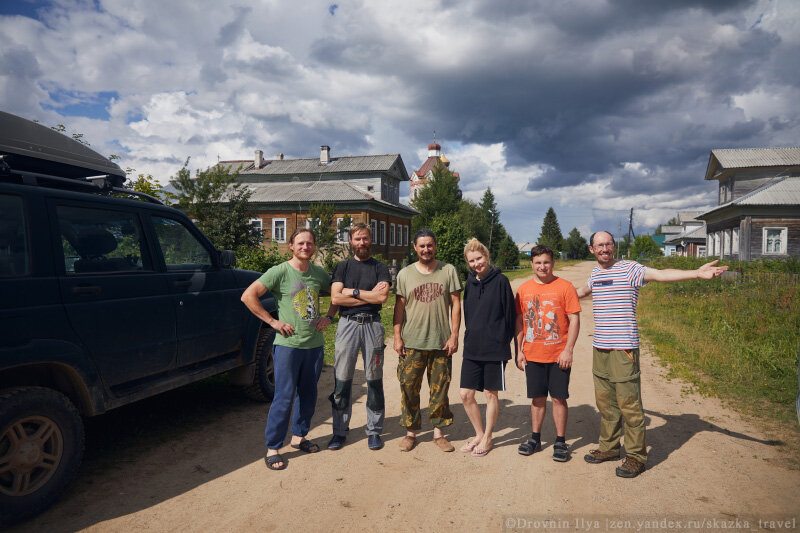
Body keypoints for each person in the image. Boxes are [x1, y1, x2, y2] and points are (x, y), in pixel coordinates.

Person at [577, 230, 728, 478]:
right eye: (599, 245)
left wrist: (696, 273)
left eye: (608, 244)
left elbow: (661, 275)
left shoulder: (629, 269)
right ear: (591, 250)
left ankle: (636, 456)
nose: (604, 249)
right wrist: (549, 293)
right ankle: (609, 448)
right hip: (600, 348)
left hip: (623, 348)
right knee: (606, 404)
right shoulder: (595, 273)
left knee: (629, 405)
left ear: (614, 246)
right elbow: (582, 291)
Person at [241, 228, 337, 470]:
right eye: (301, 243)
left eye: (310, 243)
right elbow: (248, 296)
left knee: (308, 394)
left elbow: (337, 293)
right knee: (283, 398)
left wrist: (329, 316)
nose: (306, 247)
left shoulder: (318, 274)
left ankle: (299, 437)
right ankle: (273, 447)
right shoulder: (280, 272)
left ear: (314, 247)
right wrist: (272, 322)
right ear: (292, 246)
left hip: (313, 345)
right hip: (287, 346)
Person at [393, 228, 462, 452]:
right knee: (409, 387)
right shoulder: (404, 274)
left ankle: (438, 432)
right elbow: (399, 307)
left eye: (429, 245)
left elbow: (456, 304)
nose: (426, 249)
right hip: (412, 342)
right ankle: (411, 432)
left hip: (441, 342)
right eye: (422, 246)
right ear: (415, 248)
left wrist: (454, 335)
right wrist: (397, 336)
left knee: (440, 388)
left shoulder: (448, 270)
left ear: (435, 246)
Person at [327, 222, 391, 451]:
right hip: (347, 326)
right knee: (342, 379)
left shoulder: (380, 267)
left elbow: (382, 299)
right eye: (357, 239)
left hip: (372, 326)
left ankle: (374, 431)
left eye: (365, 238)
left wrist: (351, 292)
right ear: (350, 241)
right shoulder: (342, 267)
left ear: (370, 240)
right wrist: (369, 295)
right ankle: (339, 432)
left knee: (374, 379)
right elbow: (335, 299)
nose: (361, 243)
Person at [514, 245, 581, 462]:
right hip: (533, 355)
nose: (542, 266)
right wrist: (519, 350)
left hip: (558, 355)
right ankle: (535, 438)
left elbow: (574, 319)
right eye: (538, 262)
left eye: (546, 262)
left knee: (559, 398)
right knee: (537, 399)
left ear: (553, 263)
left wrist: (568, 350)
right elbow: (520, 322)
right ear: (531, 264)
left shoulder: (565, 287)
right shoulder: (523, 290)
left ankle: (560, 441)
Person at [459, 238, 516, 457]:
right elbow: (468, 314)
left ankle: (488, 437)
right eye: (471, 261)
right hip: (472, 348)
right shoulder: (470, 282)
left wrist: (503, 341)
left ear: (487, 256)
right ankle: (478, 434)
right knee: (465, 394)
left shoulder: (501, 281)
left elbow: (510, 316)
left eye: (479, 258)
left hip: (494, 348)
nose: (476, 264)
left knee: (491, 394)